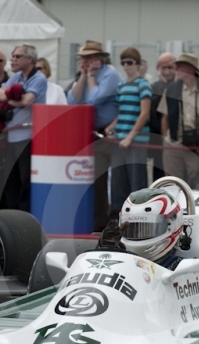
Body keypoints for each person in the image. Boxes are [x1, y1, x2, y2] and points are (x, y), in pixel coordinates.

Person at [67, 40, 122, 231]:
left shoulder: (110, 75)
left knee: (116, 181)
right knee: (96, 179)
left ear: (99, 59)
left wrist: (90, 77)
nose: (85, 61)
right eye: (82, 58)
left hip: (112, 133)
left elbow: (94, 99)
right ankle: (99, 221)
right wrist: (83, 76)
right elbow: (72, 100)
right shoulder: (85, 75)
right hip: (94, 135)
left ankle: (115, 220)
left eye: (89, 58)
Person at [0, 43, 46, 212]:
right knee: (10, 180)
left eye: (17, 56)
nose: (13, 60)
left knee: (26, 181)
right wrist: (13, 96)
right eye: (13, 56)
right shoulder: (16, 77)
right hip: (12, 136)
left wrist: (9, 98)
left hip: (29, 137)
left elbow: (26, 101)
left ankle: (25, 218)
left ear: (29, 59)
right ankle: (12, 217)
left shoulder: (39, 78)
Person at [158, 53, 199, 191]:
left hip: (197, 146)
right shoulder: (171, 89)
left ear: (191, 69)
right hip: (174, 144)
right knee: (172, 184)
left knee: (198, 182)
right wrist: (166, 141)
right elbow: (164, 117)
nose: (176, 69)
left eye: (180, 66)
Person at [106, 47, 152, 214]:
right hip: (120, 139)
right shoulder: (121, 85)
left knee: (136, 182)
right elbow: (121, 111)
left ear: (138, 64)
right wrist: (111, 126)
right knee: (118, 182)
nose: (126, 66)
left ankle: (139, 217)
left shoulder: (144, 84)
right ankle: (118, 220)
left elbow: (144, 113)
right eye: (123, 63)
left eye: (130, 62)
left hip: (136, 142)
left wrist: (130, 137)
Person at [119, 188, 185, 270]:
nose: (138, 234)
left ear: (173, 225)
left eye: (147, 229)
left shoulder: (185, 270)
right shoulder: (122, 264)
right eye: (132, 229)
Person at [149, 52, 176, 181]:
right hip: (157, 140)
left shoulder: (181, 87)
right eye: (163, 68)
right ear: (157, 69)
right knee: (159, 177)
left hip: (177, 140)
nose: (166, 72)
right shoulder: (153, 88)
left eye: (170, 68)